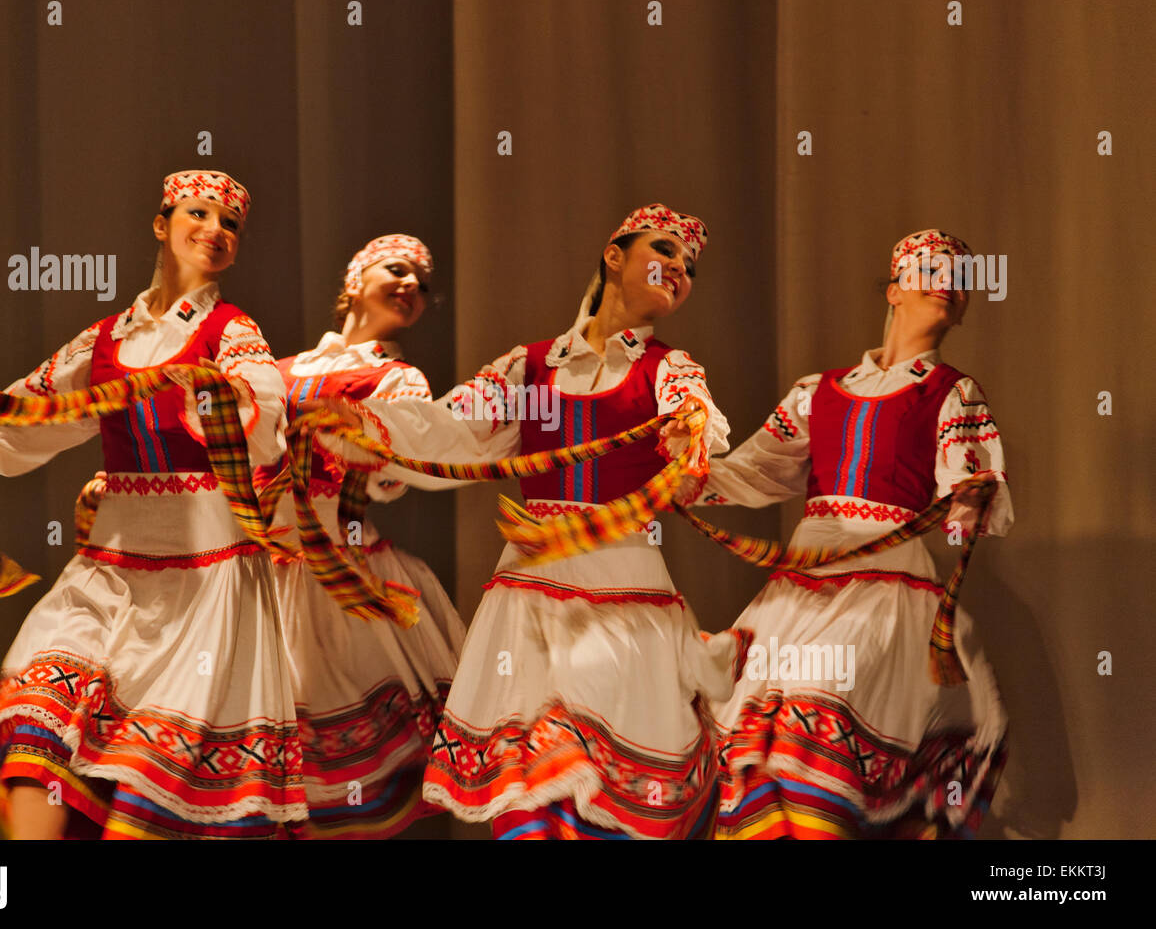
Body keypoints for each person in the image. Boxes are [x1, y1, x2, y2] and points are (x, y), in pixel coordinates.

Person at [0, 170, 303, 838]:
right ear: (161, 223)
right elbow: (31, 417)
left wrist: (212, 402)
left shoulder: (233, 333)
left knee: (153, 787)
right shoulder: (108, 339)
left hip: (207, 581)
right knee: (40, 723)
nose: (216, 231)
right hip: (111, 570)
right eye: (199, 213)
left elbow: (264, 429)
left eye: (230, 225)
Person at [321, 204, 746, 839]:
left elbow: (693, 443)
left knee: (602, 789)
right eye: (665, 249)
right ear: (614, 255)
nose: (680, 268)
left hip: (622, 591)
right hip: (528, 594)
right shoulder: (533, 368)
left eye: (689, 266)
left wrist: (690, 439)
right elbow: (452, 429)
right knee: (530, 795)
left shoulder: (670, 371)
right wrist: (367, 425)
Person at [698, 228, 1011, 839]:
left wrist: (972, 493)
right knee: (765, 751)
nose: (947, 283)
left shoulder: (952, 393)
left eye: (961, 279)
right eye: (930, 269)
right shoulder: (819, 392)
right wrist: (679, 475)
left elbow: (968, 495)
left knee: (820, 719)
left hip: (885, 586)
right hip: (805, 586)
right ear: (894, 288)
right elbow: (754, 470)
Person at [254, 234, 464, 838]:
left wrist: (360, 437)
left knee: (345, 782)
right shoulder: (279, 371)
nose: (411, 288)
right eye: (397, 270)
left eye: (422, 286)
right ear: (353, 283)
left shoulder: (398, 380)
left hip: (344, 576)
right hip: (267, 573)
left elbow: (389, 480)